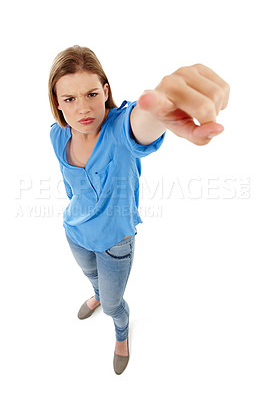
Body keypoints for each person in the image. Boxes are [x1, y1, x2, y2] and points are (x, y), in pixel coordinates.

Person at [48, 45, 230, 375]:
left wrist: (160, 104)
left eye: (91, 93)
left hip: (115, 244)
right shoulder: (57, 137)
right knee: (94, 282)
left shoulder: (119, 130)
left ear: (105, 91)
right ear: (58, 103)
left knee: (115, 304)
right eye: (70, 99)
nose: (84, 108)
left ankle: (121, 332)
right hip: (75, 234)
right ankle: (97, 294)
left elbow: (139, 124)